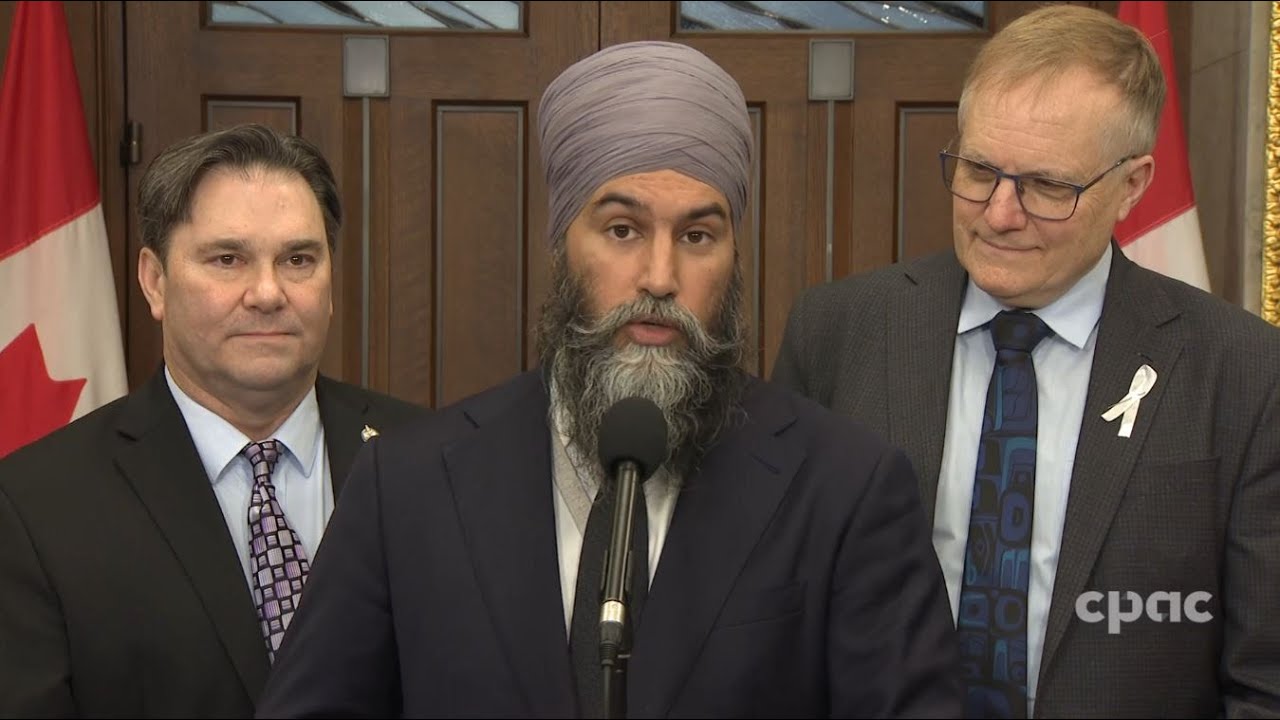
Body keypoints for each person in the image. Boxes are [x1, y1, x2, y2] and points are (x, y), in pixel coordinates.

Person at [255, 41, 962, 718]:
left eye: (696, 236)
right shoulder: (405, 487)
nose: (659, 277)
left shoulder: (846, 489)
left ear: (732, 255)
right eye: (623, 229)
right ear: (563, 243)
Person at [772, 5, 1280, 719]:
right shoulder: (841, 330)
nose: (999, 214)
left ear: (1132, 185)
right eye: (979, 170)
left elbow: (1265, 682)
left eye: (1047, 186)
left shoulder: (1244, 373)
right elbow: (776, 613)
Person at [0, 123, 429, 717]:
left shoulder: (434, 460)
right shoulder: (34, 506)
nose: (267, 292)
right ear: (155, 281)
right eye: (228, 259)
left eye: (299, 259)